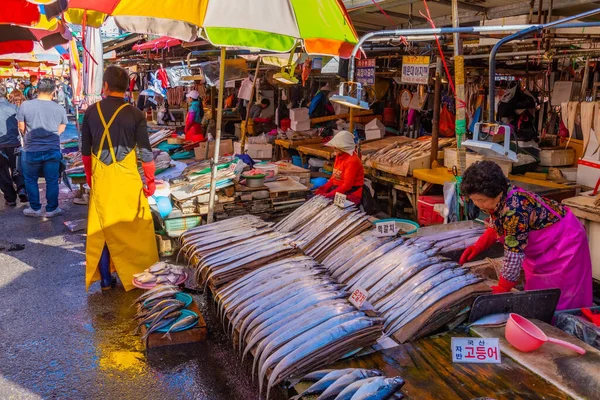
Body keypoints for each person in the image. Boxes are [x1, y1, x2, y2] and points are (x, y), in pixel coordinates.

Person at [459, 160, 592, 310]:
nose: (478, 205)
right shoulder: (502, 196)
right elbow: (500, 224)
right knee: (539, 297)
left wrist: (503, 287)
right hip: (544, 250)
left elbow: (513, 256)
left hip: (566, 246)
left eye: (480, 200)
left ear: (495, 193)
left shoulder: (516, 210)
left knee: (563, 299)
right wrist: (478, 246)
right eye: (474, 200)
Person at [81, 65, 158, 291]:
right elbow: (145, 152)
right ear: (127, 89)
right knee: (134, 228)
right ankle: (137, 277)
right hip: (127, 179)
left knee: (103, 230)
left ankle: (106, 280)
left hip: (101, 178)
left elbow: (85, 151)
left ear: (105, 86)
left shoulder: (90, 112)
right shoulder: (136, 114)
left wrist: (90, 177)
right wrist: (150, 181)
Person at [17, 78, 67, 218]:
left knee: (30, 179)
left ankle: (35, 208)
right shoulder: (59, 107)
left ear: (37, 89)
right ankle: (52, 209)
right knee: (52, 180)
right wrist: (53, 134)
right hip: (52, 148)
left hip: (31, 149)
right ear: (53, 91)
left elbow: (21, 127)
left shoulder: (25, 105)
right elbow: (62, 127)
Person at [314, 130, 364, 205]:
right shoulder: (339, 156)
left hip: (351, 193)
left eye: (336, 147)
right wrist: (324, 188)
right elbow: (334, 177)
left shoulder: (352, 161)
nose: (334, 148)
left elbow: (347, 186)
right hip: (338, 188)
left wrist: (329, 195)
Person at [0, 85, 27, 207]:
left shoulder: (15, 107)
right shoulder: (14, 107)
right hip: (14, 143)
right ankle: (21, 189)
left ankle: (10, 198)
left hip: (1, 144)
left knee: (2, 172)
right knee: (17, 168)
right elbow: (22, 125)